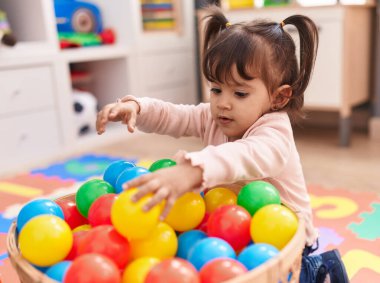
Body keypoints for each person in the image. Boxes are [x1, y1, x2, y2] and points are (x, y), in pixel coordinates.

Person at [96, 6, 348, 283]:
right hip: (231, 224)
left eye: (240, 93)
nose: (223, 103)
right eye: (216, 89)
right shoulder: (212, 116)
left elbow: (243, 155)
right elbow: (175, 115)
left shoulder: (275, 133)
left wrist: (192, 171)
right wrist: (137, 107)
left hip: (285, 240)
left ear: (279, 97)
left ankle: (320, 270)